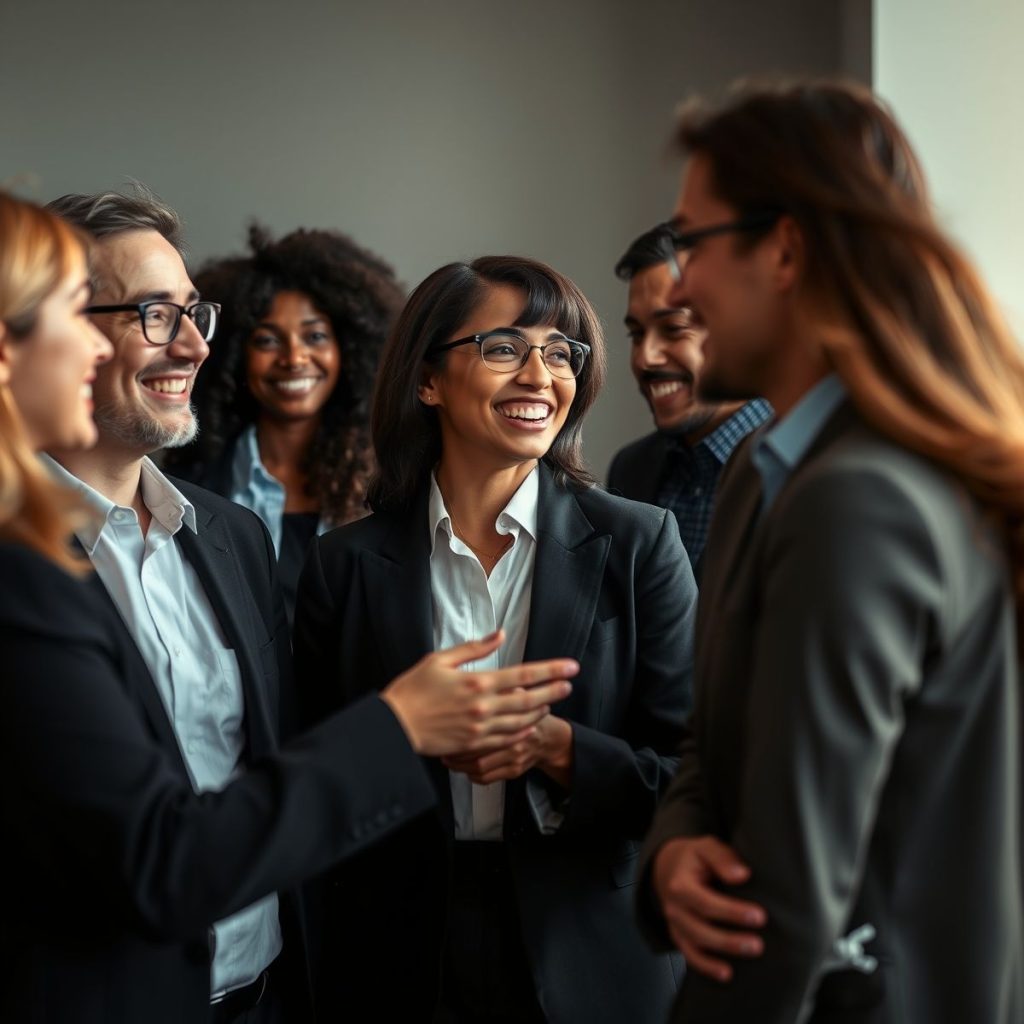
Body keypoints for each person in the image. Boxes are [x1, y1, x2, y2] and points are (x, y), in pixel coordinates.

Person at [3, 187, 573, 1024]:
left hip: (270, 994)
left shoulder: (233, 538)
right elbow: (150, 858)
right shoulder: (21, 567)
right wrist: (398, 724)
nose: (196, 344)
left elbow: (271, 772)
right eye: (156, 314)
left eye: (194, 311)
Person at [638, 80, 1024, 1023]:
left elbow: (789, 907)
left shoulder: (861, 502)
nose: (676, 285)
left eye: (692, 243)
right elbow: (710, 745)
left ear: (785, 248)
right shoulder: (760, 480)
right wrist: (675, 852)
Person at [294, 255, 696, 1023]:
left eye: (561, 352)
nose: (541, 375)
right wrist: (402, 735)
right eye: (506, 347)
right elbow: (311, 776)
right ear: (427, 379)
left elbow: (697, 777)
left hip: (595, 957)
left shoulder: (640, 543)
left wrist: (559, 750)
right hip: (399, 959)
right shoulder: (341, 566)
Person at [165, 226, 404, 621]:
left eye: (315, 337)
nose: (294, 358)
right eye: (268, 341)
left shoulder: (393, 484)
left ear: (350, 350)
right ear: (235, 355)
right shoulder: (188, 490)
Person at [607, 225, 771, 576]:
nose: (644, 358)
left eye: (673, 329)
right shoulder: (630, 470)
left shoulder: (796, 464)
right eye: (637, 334)